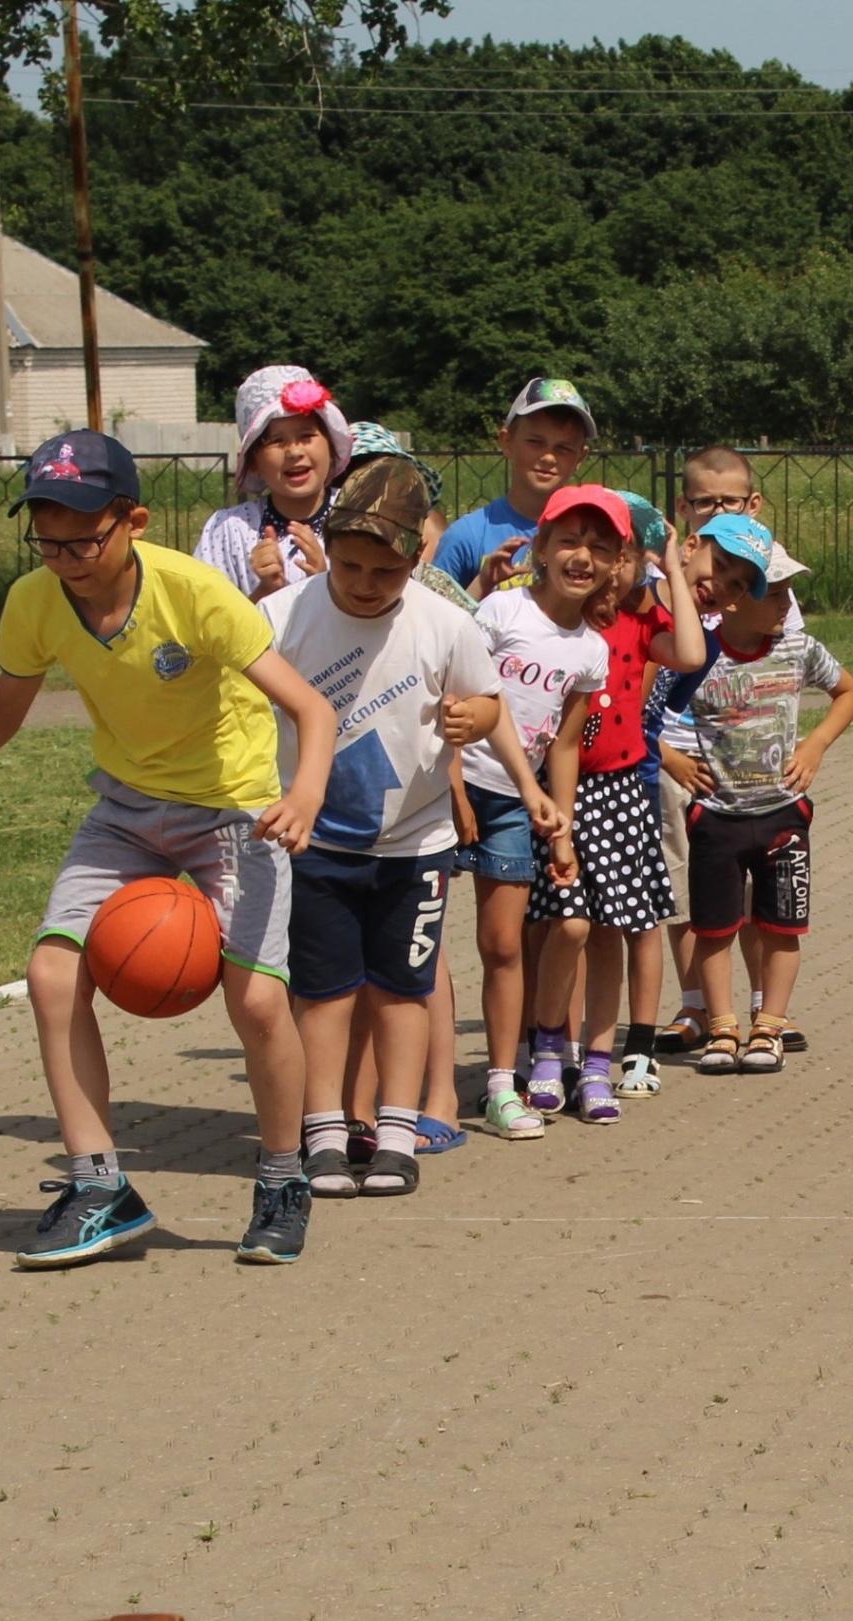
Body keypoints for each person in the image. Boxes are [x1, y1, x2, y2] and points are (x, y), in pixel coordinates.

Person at [0, 431, 338, 1266]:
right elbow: (1, 712)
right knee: (51, 973)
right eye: (48, 538)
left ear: (132, 522)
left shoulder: (196, 594)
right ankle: (98, 1186)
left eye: (83, 536)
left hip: (232, 809)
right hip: (124, 810)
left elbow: (313, 711)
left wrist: (301, 796)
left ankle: (280, 1177)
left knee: (259, 1004)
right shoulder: (37, 600)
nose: (67, 556)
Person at [259, 455, 529, 1198]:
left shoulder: (446, 622)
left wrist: (475, 717)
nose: (365, 584)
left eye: (385, 571)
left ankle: (397, 1132)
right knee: (323, 990)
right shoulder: (284, 616)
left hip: (416, 844)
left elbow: (489, 704)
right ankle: (322, 1133)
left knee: (403, 987)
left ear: (416, 558)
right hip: (318, 841)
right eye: (349, 566)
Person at [518, 488, 706, 1121]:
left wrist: (673, 568)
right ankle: (549, 1048)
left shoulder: (638, 619)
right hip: (562, 788)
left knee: (610, 933)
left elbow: (691, 653)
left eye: (615, 552)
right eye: (586, 548)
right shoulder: (561, 619)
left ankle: (597, 1061)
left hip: (624, 791)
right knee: (565, 924)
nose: (604, 564)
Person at [456, 483, 623, 1138]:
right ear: (542, 547)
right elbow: (451, 692)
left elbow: (563, 743)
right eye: (571, 541)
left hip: (513, 801)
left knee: (502, 944)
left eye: (600, 547)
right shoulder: (500, 611)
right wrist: (446, 785)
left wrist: (563, 829)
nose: (583, 556)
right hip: (448, 786)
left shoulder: (591, 649)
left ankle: (502, 1083)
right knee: (415, 942)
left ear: (614, 564)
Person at [680, 519, 853, 1075]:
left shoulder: (799, 648)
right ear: (736, 602)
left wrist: (815, 745)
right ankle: (722, 1027)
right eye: (776, 592)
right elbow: (642, 718)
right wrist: (672, 762)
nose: (788, 603)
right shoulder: (695, 656)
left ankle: (770, 1025)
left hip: (783, 813)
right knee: (713, 928)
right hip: (717, 817)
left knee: (782, 927)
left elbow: (849, 692)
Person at [644, 446, 810, 1056]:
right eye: (705, 502)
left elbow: (787, 673)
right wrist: (665, 754)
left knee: (755, 898)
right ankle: (697, 1010)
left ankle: (767, 1008)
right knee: (692, 891)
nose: (717, 511)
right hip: (682, 760)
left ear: (753, 505)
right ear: (684, 510)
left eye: (730, 502)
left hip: (748, 768)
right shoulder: (664, 589)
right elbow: (644, 690)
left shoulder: (767, 584)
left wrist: (796, 749)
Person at [195, 365, 354, 601]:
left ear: (331, 445)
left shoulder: (359, 515)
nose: (294, 451)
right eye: (276, 441)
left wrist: (328, 585)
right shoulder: (228, 530)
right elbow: (206, 623)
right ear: (255, 461)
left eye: (306, 436)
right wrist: (263, 594)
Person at [432, 377, 595, 600]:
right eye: (535, 442)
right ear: (507, 441)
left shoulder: (596, 537)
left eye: (563, 448)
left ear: (581, 456)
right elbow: (435, 626)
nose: (548, 457)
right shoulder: (466, 537)